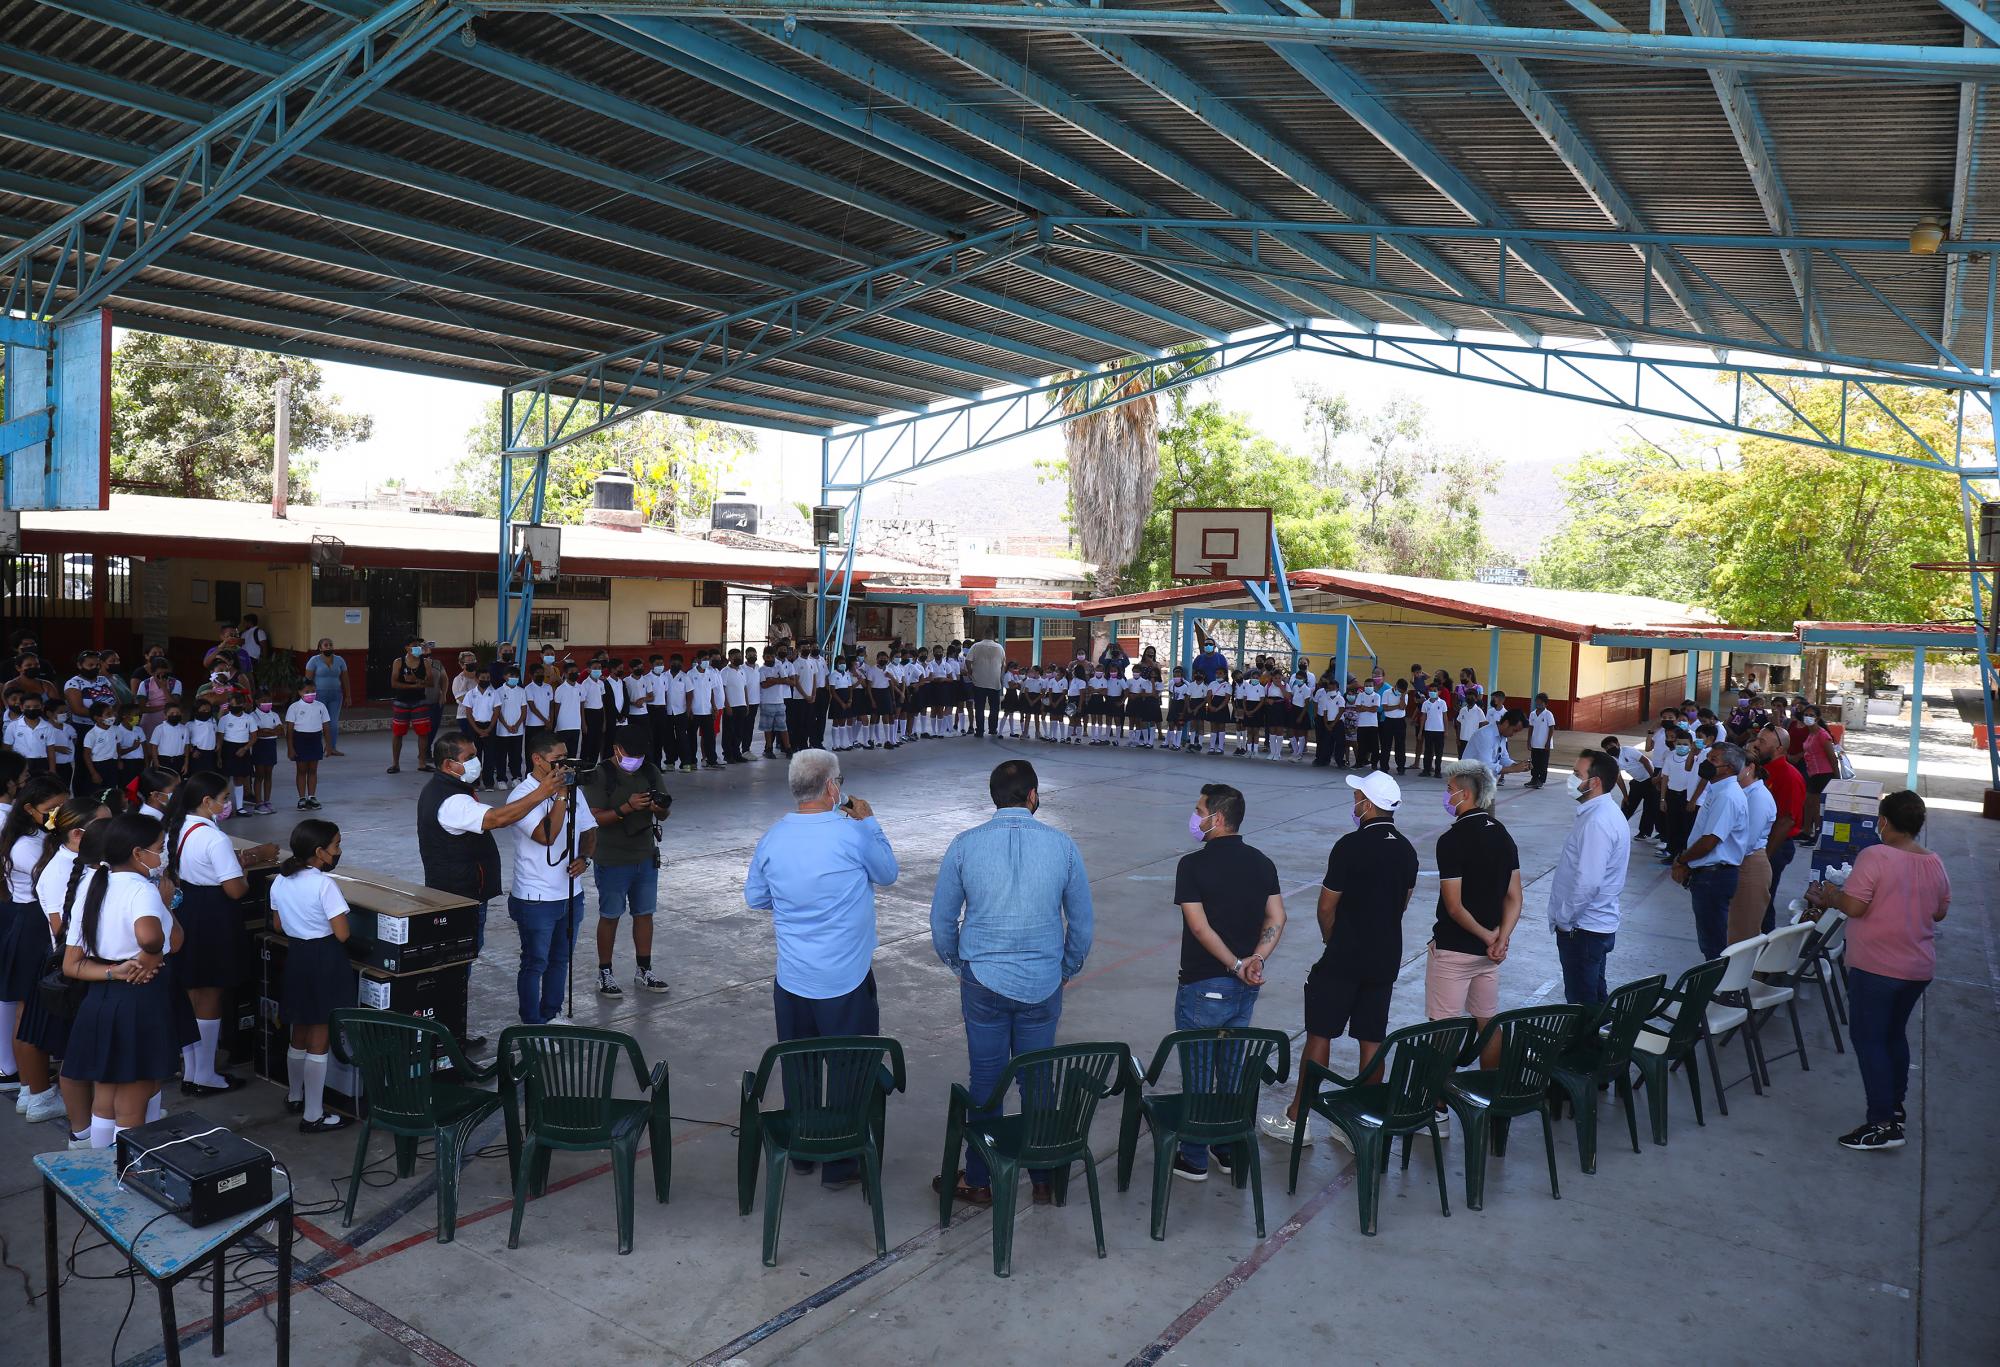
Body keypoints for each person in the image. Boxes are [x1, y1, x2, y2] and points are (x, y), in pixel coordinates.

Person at [930, 759, 1093, 1204]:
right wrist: (1064, 969)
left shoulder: (965, 846)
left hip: (983, 978)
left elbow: (942, 922)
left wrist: (960, 965)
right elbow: (1081, 925)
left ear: (994, 798)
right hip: (1043, 981)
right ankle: (1043, 1176)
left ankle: (980, 1178)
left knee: (986, 1079)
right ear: (1033, 796)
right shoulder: (1062, 847)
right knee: (1038, 1079)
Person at [744, 749, 898, 1189]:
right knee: (849, 1067)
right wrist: (869, 821)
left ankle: (803, 1148)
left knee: (800, 1066)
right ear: (833, 787)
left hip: (793, 978)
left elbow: (756, 898)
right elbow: (887, 873)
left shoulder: (774, 837)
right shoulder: (851, 833)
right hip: (844, 978)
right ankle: (841, 1162)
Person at [1261, 771, 1417, 1151]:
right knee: (1371, 1039)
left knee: (1320, 1032)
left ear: (1369, 804)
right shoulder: (1407, 850)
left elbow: (1327, 904)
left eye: (1358, 796)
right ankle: (1359, 1122)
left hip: (1346, 954)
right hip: (1385, 956)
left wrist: (1332, 937)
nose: (1355, 803)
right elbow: (1403, 902)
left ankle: (1298, 1119)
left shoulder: (1350, 845)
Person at [1804, 790, 1948, 1153]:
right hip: (1917, 967)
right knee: (1893, 1036)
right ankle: (1893, 1108)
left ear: (1883, 821)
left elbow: (1854, 906)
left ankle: (1882, 1123)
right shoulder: (1933, 861)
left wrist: (1831, 896)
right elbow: (1939, 912)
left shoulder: (1876, 855)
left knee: (1869, 1041)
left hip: (1877, 968)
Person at [1167, 782, 1285, 1181]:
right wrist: (1256, 961)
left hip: (1204, 985)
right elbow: (1277, 918)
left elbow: (1200, 929)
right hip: (1243, 990)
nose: (1195, 816)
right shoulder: (1262, 862)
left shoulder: (1192, 866)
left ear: (1216, 819)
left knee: (1199, 1072)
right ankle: (1227, 1146)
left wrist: (1236, 964)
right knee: (1232, 1071)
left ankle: (1195, 1155)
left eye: (1199, 809)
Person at [416, 732, 562, 1042]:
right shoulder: (452, 800)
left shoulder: (447, 790)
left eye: (474, 754)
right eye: (467, 758)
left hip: (457, 892)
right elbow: (497, 818)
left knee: (459, 968)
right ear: (448, 764)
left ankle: (452, 1032)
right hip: (459, 897)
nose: (475, 761)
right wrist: (542, 793)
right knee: (456, 970)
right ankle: (447, 1039)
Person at [58, 812, 182, 1146]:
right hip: (139, 1000)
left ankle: (102, 1168)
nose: (164, 854)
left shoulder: (93, 883)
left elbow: (72, 964)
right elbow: (151, 936)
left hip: (101, 997)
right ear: (138, 853)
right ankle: (128, 1178)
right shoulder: (142, 889)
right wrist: (150, 955)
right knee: (132, 1099)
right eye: (160, 847)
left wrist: (114, 971)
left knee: (106, 1095)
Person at [162, 772, 278, 1093]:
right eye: (224, 799)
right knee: (211, 994)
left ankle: (192, 1071)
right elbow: (235, 890)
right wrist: (242, 872)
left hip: (187, 910)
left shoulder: (178, 827)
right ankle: (205, 1075)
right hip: (213, 914)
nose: (227, 804)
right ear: (206, 801)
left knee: (191, 993)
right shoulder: (214, 838)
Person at [1428, 762, 1522, 1077]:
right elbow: (1515, 896)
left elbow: (1454, 907)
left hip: (1456, 949)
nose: (1446, 795)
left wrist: (1486, 936)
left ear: (1465, 794)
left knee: (1444, 1027)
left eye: (1449, 790)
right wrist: (1501, 938)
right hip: (1490, 956)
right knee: (1487, 1021)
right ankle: (1487, 1091)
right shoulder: (1502, 834)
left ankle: (1438, 1106)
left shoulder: (1452, 840)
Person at [501, 735, 597, 1025]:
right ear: (537, 759)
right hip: (535, 898)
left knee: (560, 961)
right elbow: (546, 836)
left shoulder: (572, 788)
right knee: (535, 964)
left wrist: (585, 857)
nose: (565, 766)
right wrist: (561, 794)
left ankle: (551, 1015)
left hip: (571, 894)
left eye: (567, 758)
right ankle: (531, 1025)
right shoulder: (521, 796)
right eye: (558, 760)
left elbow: (589, 828)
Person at [269, 818, 354, 1133]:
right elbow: (342, 934)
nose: (339, 850)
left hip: (297, 957)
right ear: (319, 852)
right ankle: (313, 1114)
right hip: (324, 959)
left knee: (299, 1030)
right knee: (321, 1034)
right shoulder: (324, 885)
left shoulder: (280, 881)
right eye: (336, 845)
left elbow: (277, 925)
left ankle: (294, 1096)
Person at [585, 727, 672, 997]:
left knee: (644, 914)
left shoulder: (650, 771)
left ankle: (644, 969)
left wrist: (659, 809)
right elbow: (595, 817)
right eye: (630, 755)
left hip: (644, 855)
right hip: (612, 858)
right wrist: (627, 808)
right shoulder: (601, 774)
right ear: (616, 750)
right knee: (610, 916)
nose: (635, 760)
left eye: (640, 755)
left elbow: (665, 811)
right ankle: (605, 973)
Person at [1546, 750, 1631, 1005]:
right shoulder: (1602, 813)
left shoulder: (1597, 822)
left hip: (1583, 929)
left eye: (1576, 774)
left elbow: (1588, 882)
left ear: (1594, 782)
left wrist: (1565, 919)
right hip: (1592, 926)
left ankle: (1586, 1044)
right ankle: (1599, 1041)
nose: (1571, 779)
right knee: (1593, 994)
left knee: (1582, 1003)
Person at [0, 776, 68, 1096]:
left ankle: (31, 1089)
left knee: (28, 1010)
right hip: (34, 924)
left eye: (64, 807)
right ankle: (35, 1091)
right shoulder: (28, 845)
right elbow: (55, 883)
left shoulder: (39, 836)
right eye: (52, 809)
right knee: (30, 1012)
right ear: (29, 809)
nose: (59, 814)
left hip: (32, 921)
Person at [1669, 741, 1749, 960]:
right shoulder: (1718, 790)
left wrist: (1682, 860)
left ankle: (1720, 989)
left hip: (1714, 876)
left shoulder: (1727, 795)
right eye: (1708, 758)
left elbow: (1709, 841)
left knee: (1712, 942)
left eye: (1713, 760)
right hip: (1709, 875)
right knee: (1710, 937)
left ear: (1730, 768)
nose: (1706, 763)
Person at [1749, 724, 1804, 931]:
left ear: (1779, 748)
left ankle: (1764, 951)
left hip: (1774, 846)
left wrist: (1765, 856)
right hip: (1761, 845)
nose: (1756, 744)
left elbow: (1786, 821)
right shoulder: (1763, 771)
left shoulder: (1787, 775)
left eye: (1762, 742)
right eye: (1757, 739)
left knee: (1762, 902)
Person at [1726, 751, 1781, 945]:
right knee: (1733, 929)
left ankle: (1749, 975)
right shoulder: (1741, 792)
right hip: (1738, 861)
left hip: (1749, 865)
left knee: (1743, 934)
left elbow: (1746, 842)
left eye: (1735, 765)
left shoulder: (1758, 797)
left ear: (1750, 768)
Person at [386, 639, 432, 774]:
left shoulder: (426, 662)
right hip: (401, 701)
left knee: (423, 732)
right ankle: (395, 764)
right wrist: (414, 685)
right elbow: (394, 683)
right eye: (414, 646)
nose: (418, 648)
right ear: (407, 648)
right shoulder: (398, 662)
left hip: (420, 701)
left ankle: (422, 763)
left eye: (419, 646)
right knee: (397, 733)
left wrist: (416, 681)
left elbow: (431, 682)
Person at [284, 684, 331, 810]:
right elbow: (289, 730)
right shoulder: (294, 707)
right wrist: (290, 747)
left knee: (313, 770)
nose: (311, 693)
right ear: (300, 692)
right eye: (307, 691)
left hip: (315, 739)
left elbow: (326, 726)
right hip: (300, 740)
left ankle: (312, 796)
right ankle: (301, 798)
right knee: (301, 770)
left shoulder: (320, 706)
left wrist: (328, 744)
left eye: (313, 691)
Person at [1463, 708, 1532, 782]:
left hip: (1483, 782)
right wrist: (1513, 769)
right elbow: (1486, 767)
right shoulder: (1486, 735)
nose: (1513, 734)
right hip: (1467, 781)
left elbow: (1503, 759)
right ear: (1506, 723)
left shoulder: (1502, 736)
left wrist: (1518, 766)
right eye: (1514, 730)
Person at [305, 639, 349, 755]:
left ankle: (332, 748)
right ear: (320, 648)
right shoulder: (314, 660)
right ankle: (316, 748)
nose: (329, 647)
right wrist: (307, 697)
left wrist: (348, 696)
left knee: (333, 723)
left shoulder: (340, 660)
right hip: (318, 696)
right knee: (318, 722)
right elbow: (307, 680)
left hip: (336, 695)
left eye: (330, 645)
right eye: (326, 645)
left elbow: (345, 679)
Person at [967, 635, 1006, 738]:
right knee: (994, 707)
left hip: (979, 681)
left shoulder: (976, 646)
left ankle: (979, 731)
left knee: (979, 707)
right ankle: (992, 729)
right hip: (994, 682)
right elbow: (1003, 664)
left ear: (983, 635)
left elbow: (968, 660)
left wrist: (970, 673)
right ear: (993, 637)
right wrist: (1000, 677)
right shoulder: (999, 647)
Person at [1525, 694, 1557, 788]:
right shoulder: (1532, 714)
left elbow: (1551, 728)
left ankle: (1541, 780)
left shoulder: (1548, 714)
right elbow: (1530, 728)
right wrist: (1528, 741)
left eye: (1540, 702)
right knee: (1534, 762)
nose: (1538, 703)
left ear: (1545, 704)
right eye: (1537, 701)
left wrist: (1548, 742)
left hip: (1544, 744)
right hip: (1535, 743)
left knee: (1543, 763)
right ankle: (1534, 779)